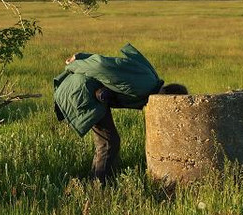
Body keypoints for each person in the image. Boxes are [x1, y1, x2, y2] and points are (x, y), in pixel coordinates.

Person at [53, 44, 188, 184]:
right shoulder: (144, 85)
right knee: (109, 142)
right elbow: (102, 66)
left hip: (87, 93)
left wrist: (81, 56)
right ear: (166, 95)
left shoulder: (149, 86)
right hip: (81, 93)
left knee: (107, 141)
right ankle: (99, 186)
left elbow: (114, 65)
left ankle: (95, 180)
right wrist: (74, 65)